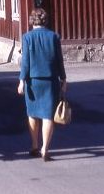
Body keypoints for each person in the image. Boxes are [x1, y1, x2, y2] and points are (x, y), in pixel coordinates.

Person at [17, 8, 67, 161]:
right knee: (48, 115)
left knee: (32, 114)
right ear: (45, 20)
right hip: (51, 81)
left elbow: (25, 62)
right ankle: (45, 148)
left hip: (33, 82)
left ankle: (34, 145)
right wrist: (63, 80)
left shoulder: (27, 38)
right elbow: (59, 60)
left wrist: (21, 81)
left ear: (32, 20)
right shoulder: (54, 37)